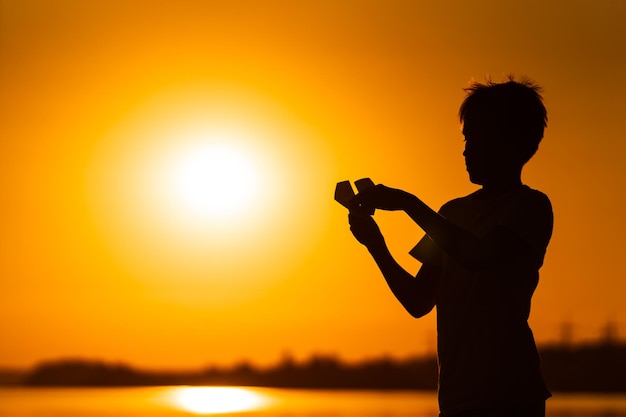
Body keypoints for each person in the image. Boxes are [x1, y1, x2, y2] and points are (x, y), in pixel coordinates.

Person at [348, 77, 553, 416]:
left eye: (477, 138)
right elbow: (418, 300)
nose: (466, 150)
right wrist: (376, 244)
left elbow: (478, 255)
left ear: (512, 142)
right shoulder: (452, 213)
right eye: (466, 138)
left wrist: (408, 203)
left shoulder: (530, 206)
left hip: (511, 395)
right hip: (457, 398)